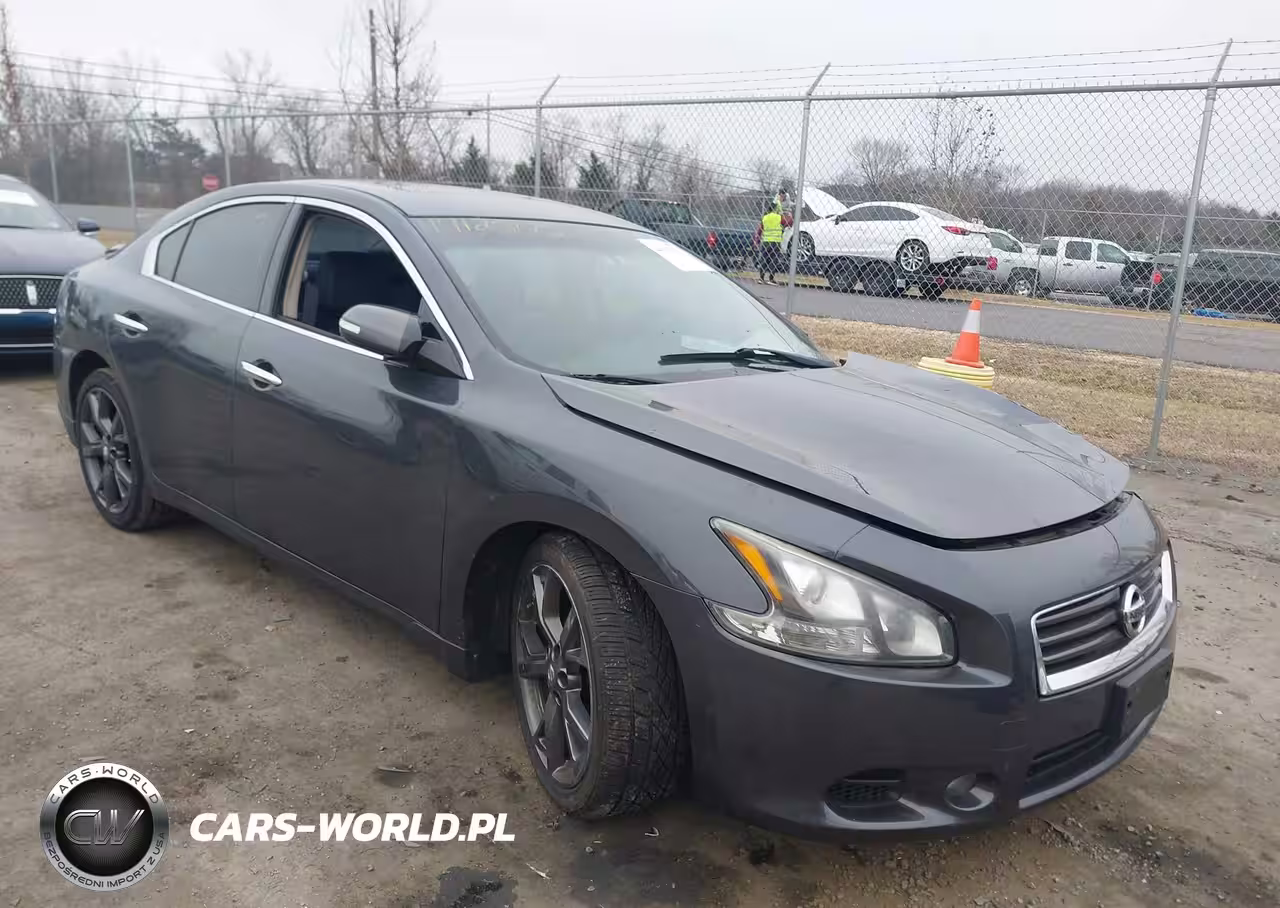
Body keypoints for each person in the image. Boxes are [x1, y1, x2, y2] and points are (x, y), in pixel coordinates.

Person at [753, 200, 785, 284]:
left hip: (766, 241)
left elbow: (760, 230)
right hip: (775, 242)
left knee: (764, 259)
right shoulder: (778, 217)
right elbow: (787, 222)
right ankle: (771, 278)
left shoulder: (765, 217)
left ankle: (761, 278)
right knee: (774, 260)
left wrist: (757, 241)